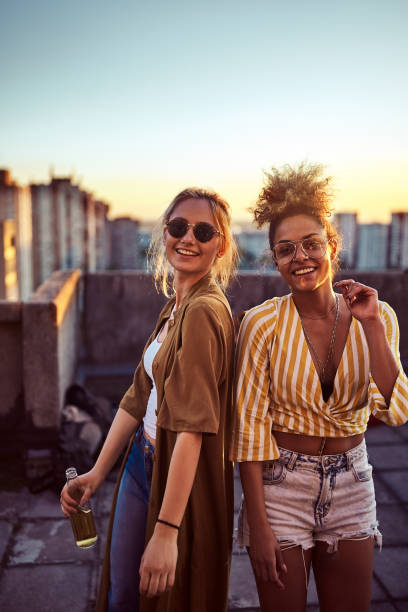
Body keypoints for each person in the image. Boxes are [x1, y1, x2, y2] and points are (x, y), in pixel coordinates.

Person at [231, 163, 408, 612]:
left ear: (333, 245)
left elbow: (397, 409)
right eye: (286, 249)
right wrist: (258, 524)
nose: (301, 257)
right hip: (280, 486)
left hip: (352, 479)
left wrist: (368, 325)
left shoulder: (379, 315)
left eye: (312, 244)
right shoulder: (261, 323)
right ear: (274, 258)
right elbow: (249, 430)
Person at [60, 187, 238, 612]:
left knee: (156, 598)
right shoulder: (178, 305)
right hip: (141, 462)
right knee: (124, 592)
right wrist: (97, 473)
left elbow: (193, 430)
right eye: (178, 227)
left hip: (177, 477)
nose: (188, 238)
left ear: (222, 244)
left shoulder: (202, 313)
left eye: (203, 230)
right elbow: (138, 397)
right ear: (165, 233)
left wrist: (166, 530)